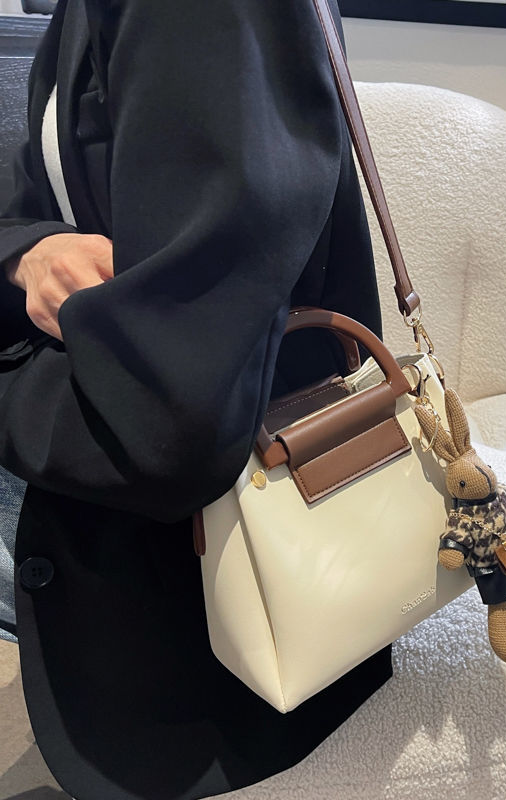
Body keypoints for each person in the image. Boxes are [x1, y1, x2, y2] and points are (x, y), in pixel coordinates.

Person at [0, 1, 393, 798]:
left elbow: (162, 430)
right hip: (175, 606)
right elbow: (32, 183)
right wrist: (28, 251)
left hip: (202, 659)